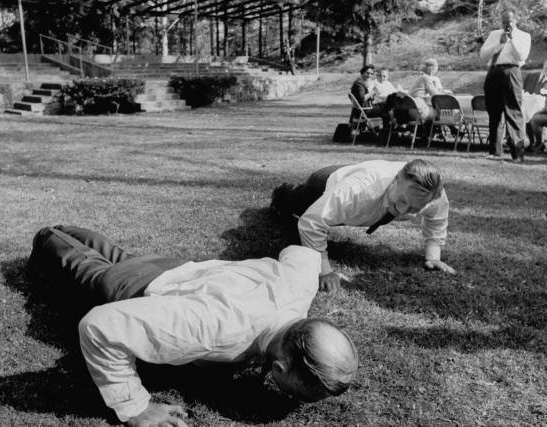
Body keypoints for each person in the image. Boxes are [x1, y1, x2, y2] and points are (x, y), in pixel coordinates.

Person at [28, 225, 359, 426]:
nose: (289, 397)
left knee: (117, 255)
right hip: (138, 286)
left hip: (183, 272)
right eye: (293, 393)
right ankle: (49, 234)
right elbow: (100, 327)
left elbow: (303, 254)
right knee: (89, 268)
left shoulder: (300, 289)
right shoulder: (216, 330)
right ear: (279, 367)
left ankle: (67, 229)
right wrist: (135, 407)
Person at [270, 159, 454, 292]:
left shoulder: (432, 195)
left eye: (414, 207)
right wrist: (324, 271)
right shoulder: (357, 190)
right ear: (396, 179)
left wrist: (433, 256)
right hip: (324, 183)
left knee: (338, 213)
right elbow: (311, 223)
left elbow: (437, 218)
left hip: (354, 193)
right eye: (402, 200)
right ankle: (281, 192)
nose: (402, 210)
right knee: (292, 203)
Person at [480, 8, 531, 162]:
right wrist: (499, 44)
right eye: (503, 21)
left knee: (513, 112)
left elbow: (522, 55)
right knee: (494, 112)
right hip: (494, 71)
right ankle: (494, 151)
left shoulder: (524, 36)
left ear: (516, 20)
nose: (506, 24)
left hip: (511, 72)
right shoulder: (494, 34)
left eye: (508, 21)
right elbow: (483, 55)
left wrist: (512, 39)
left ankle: (517, 154)